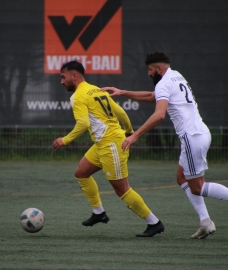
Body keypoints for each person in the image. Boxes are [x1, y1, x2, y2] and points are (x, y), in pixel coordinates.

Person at [102, 52, 228, 239]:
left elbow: (159, 114)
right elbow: (154, 96)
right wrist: (123, 92)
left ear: (158, 69)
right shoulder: (176, 75)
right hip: (198, 133)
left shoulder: (163, 83)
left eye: (150, 69)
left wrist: (134, 135)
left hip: (192, 137)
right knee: (181, 177)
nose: (148, 73)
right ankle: (205, 222)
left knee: (197, 187)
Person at [53, 60, 164, 237]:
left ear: (74, 75)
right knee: (81, 172)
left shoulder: (78, 96)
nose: (61, 81)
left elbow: (83, 123)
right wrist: (129, 131)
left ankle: (154, 222)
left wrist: (64, 140)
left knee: (122, 189)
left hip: (111, 144)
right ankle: (99, 213)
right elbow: (120, 112)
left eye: (63, 76)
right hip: (103, 143)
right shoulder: (96, 89)